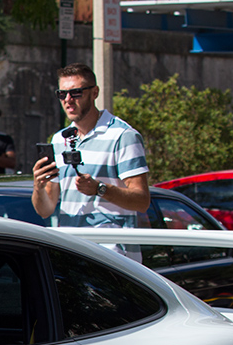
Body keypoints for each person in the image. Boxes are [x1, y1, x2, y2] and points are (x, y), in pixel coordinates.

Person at [31, 64, 149, 226]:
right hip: (73, 245)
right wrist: (38, 186)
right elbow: (45, 210)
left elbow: (142, 201)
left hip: (109, 248)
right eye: (62, 94)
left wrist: (100, 189)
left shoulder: (122, 135)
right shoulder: (59, 140)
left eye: (76, 93)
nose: (68, 100)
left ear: (95, 93)